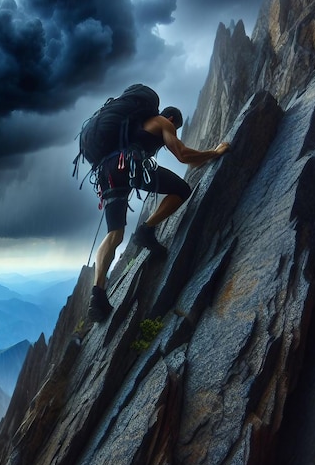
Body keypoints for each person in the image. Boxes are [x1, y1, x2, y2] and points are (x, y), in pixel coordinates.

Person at [88, 104, 230, 322]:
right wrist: (215, 152)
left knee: (114, 234)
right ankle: (146, 230)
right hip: (129, 166)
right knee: (181, 189)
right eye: (176, 128)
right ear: (171, 119)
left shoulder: (133, 126)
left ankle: (97, 296)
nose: (173, 133)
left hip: (107, 172)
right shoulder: (163, 122)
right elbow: (182, 155)